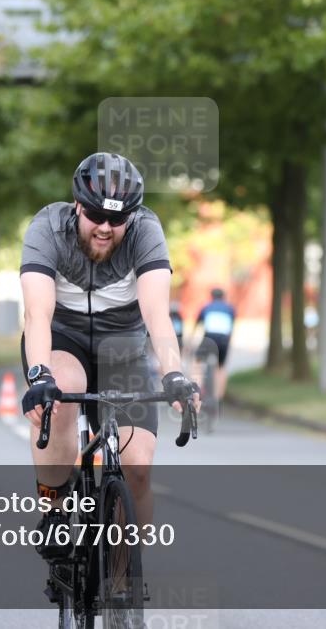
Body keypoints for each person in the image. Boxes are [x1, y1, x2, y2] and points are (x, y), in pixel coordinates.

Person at [19, 152, 200, 557]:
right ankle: (54, 510)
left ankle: (123, 580)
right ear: (78, 206)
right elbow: (37, 313)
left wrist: (174, 374)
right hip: (63, 340)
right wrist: (39, 375)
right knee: (63, 391)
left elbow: (156, 313)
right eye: (96, 215)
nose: (104, 228)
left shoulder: (146, 230)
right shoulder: (48, 227)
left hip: (123, 350)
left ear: (131, 217)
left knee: (137, 469)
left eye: (116, 220)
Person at [193, 287, 236, 401]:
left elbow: (197, 324)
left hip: (209, 338)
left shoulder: (207, 306)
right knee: (221, 367)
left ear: (211, 296)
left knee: (197, 362)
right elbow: (231, 326)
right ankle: (219, 396)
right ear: (224, 297)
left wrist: (190, 341)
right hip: (224, 340)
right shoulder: (230, 308)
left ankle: (198, 389)